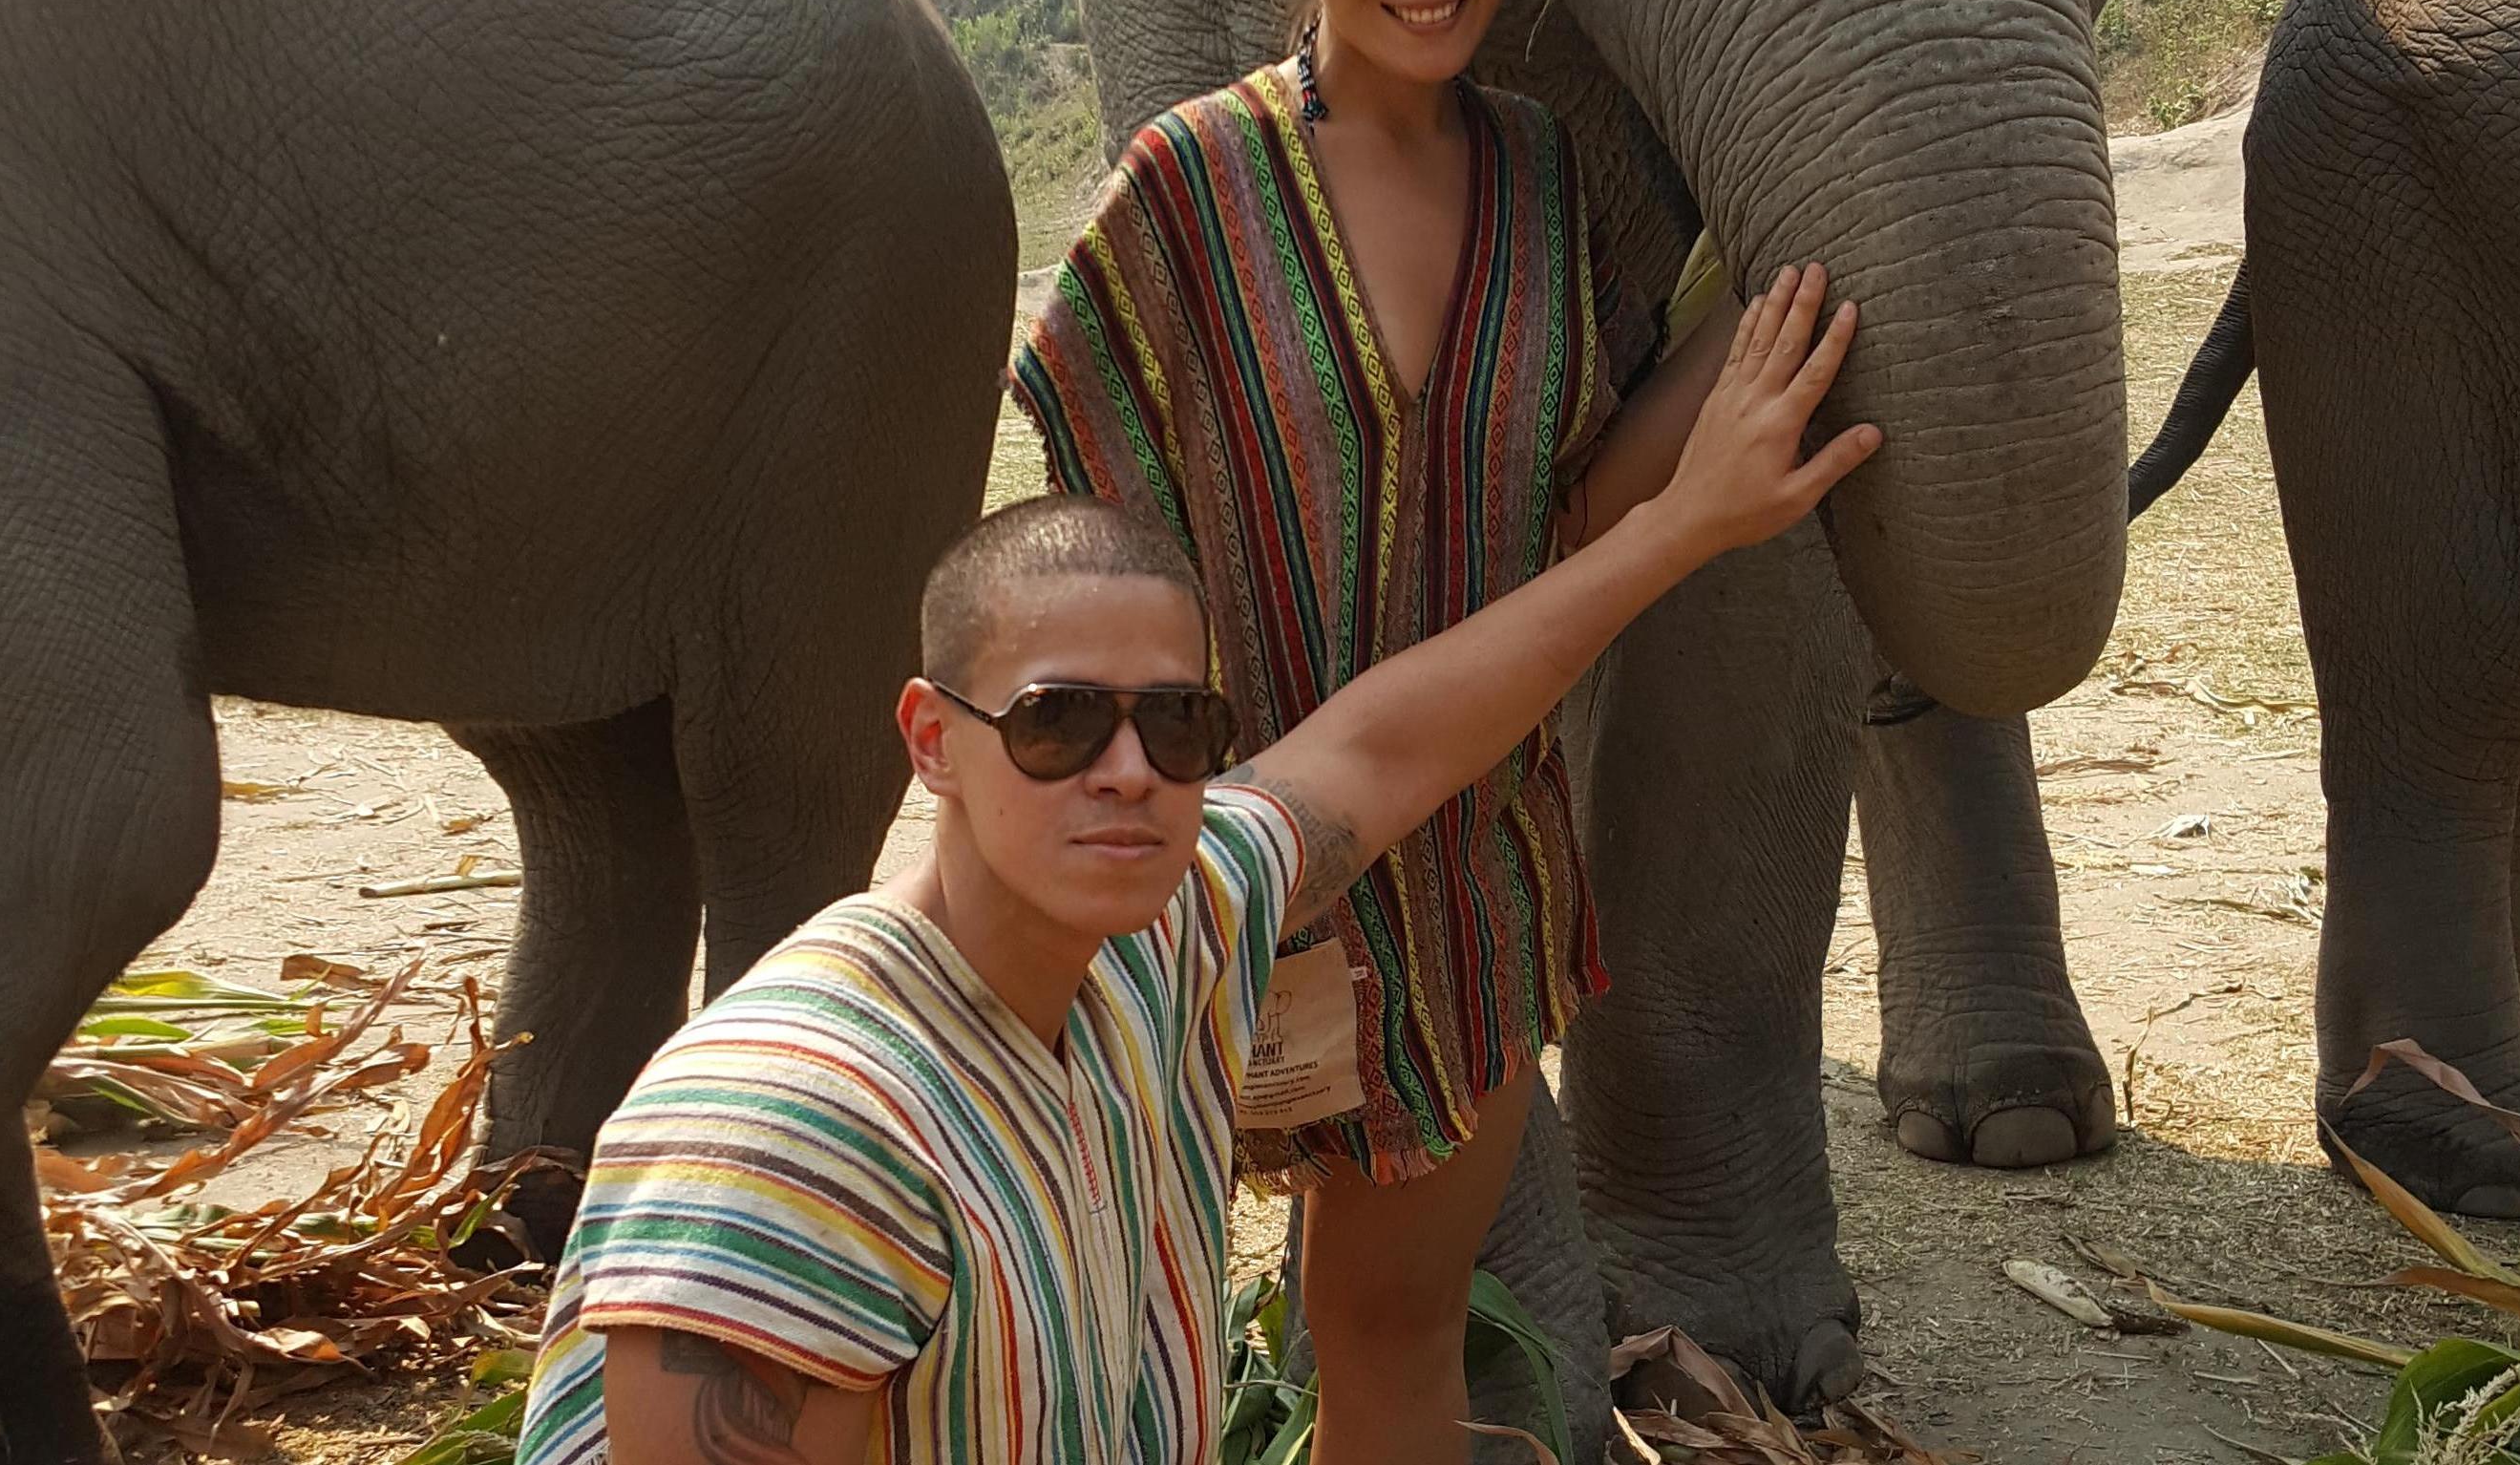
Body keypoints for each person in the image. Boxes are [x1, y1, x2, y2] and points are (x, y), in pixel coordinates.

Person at [519, 269, 1876, 1465]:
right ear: (931, 740)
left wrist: (1681, 523)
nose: (1126, 769)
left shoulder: (1158, 937)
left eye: (1177, 721)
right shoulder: (802, 1123)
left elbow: (1385, 748)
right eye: (1055, 720)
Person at [1010, 0, 1775, 1463]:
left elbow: (1571, 493)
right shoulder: (1189, 184)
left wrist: (1754, 320)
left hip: (1472, 878)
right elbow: (1092, 539)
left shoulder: (1536, 175)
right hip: (1216, 875)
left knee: (1392, 1340)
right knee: (1116, 1345)